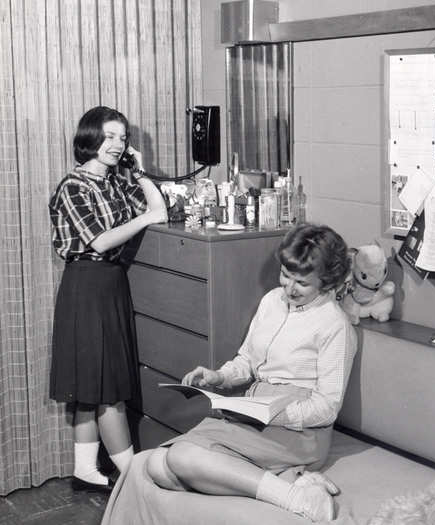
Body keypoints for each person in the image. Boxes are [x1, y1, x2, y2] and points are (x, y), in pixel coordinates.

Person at [145, 224, 357, 522]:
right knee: (157, 466)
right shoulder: (272, 301)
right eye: (285, 274)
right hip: (253, 414)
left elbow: (328, 408)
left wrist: (274, 413)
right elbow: (247, 361)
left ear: (326, 281)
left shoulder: (335, 325)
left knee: (180, 457)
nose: (289, 288)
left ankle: (295, 499)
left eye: (302, 283)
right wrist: (218, 376)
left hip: (299, 430)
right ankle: (289, 481)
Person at [48, 106, 168, 492]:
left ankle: (85, 471)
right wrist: (145, 218)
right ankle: (134, 479)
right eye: (109, 136)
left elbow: (159, 211)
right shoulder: (74, 185)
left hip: (111, 283)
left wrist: (141, 168)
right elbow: (100, 240)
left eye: (123, 137)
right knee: (105, 391)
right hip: (86, 283)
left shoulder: (115, 181)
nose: (118, 145)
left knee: (93, 386)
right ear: (90, 138)